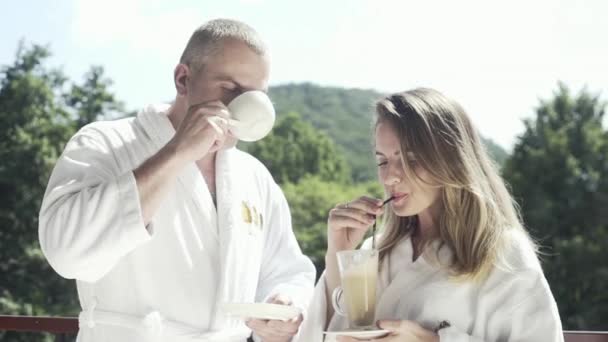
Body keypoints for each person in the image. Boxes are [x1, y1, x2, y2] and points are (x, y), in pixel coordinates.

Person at [38, 19, 315, 342]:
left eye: (256, 96)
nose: (244, 107)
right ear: (183, 79)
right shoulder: (104, 143)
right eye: (231, 89)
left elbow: (287, 271)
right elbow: (66, 252)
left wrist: (283, 305)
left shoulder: (253, 177)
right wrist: (176, 154)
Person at [297, 88, 563, 341]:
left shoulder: (503, 253)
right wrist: (338, 253)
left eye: (410, 159)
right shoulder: (376, 252)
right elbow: (325, 334)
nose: (390, 177)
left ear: (450, 160)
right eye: (382, 161)